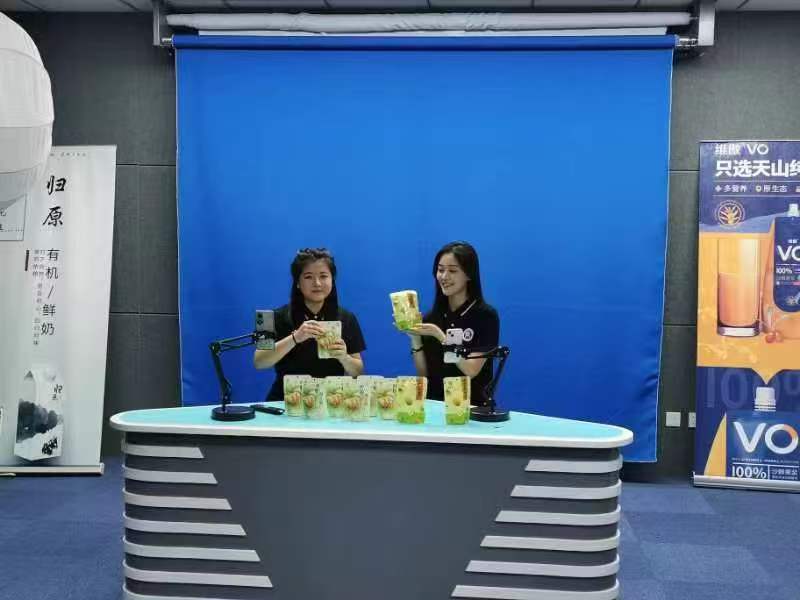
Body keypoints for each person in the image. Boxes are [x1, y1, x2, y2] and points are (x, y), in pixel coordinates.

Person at [255, 248, 365, 401]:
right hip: (285, 403)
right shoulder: (269, 317)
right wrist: (295, 338)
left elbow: (358, 372)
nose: (317, 283)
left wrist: (344, 358)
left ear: (332, 280)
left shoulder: (348, 318)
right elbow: (259, 362)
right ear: (297, 282)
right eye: (308, 277)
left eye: (323, 276)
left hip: (330, 403)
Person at [400, 241, 499, 406]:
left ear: (469, 275)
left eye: (452, 271)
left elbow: (471, 370)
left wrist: (441, 337)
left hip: (470, 409)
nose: (444, 277)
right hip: (434, 408)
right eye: (440, 270)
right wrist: (415, 338)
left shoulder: (485, 316)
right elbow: (424, 375)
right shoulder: (431, 317)